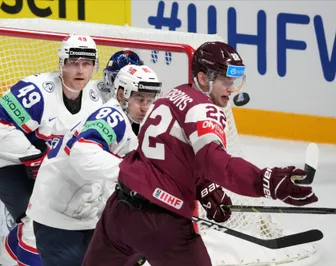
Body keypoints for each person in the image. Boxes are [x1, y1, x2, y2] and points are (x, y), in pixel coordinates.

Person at [81, 41, 319, 266]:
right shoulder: (205, 109)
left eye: (236, 81)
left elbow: (169, 156)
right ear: (204, 78)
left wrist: (203, 186)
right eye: (225, 80)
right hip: (161, 226)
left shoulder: (171, 97)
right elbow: (217, 163)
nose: (231, 89)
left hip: (118, 215)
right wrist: (266, 181)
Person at [0, 34, 103, 266]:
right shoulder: (36, 92)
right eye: (74, 63)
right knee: (39, 222)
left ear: (95, 66)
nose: (80, 70)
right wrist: (33, 155)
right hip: (7, 164)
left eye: (86, 63)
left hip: (49, 169)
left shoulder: (96, 100)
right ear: (61, 63)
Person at [26, 64, 162, 266]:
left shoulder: (134, 126)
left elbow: (109, 177)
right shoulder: (111, 116)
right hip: (58, 218)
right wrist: (133, 175)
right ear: (123, 94)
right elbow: (84, 154)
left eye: (149, 101)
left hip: (85, 217)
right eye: (139, 99)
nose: (145, 107)